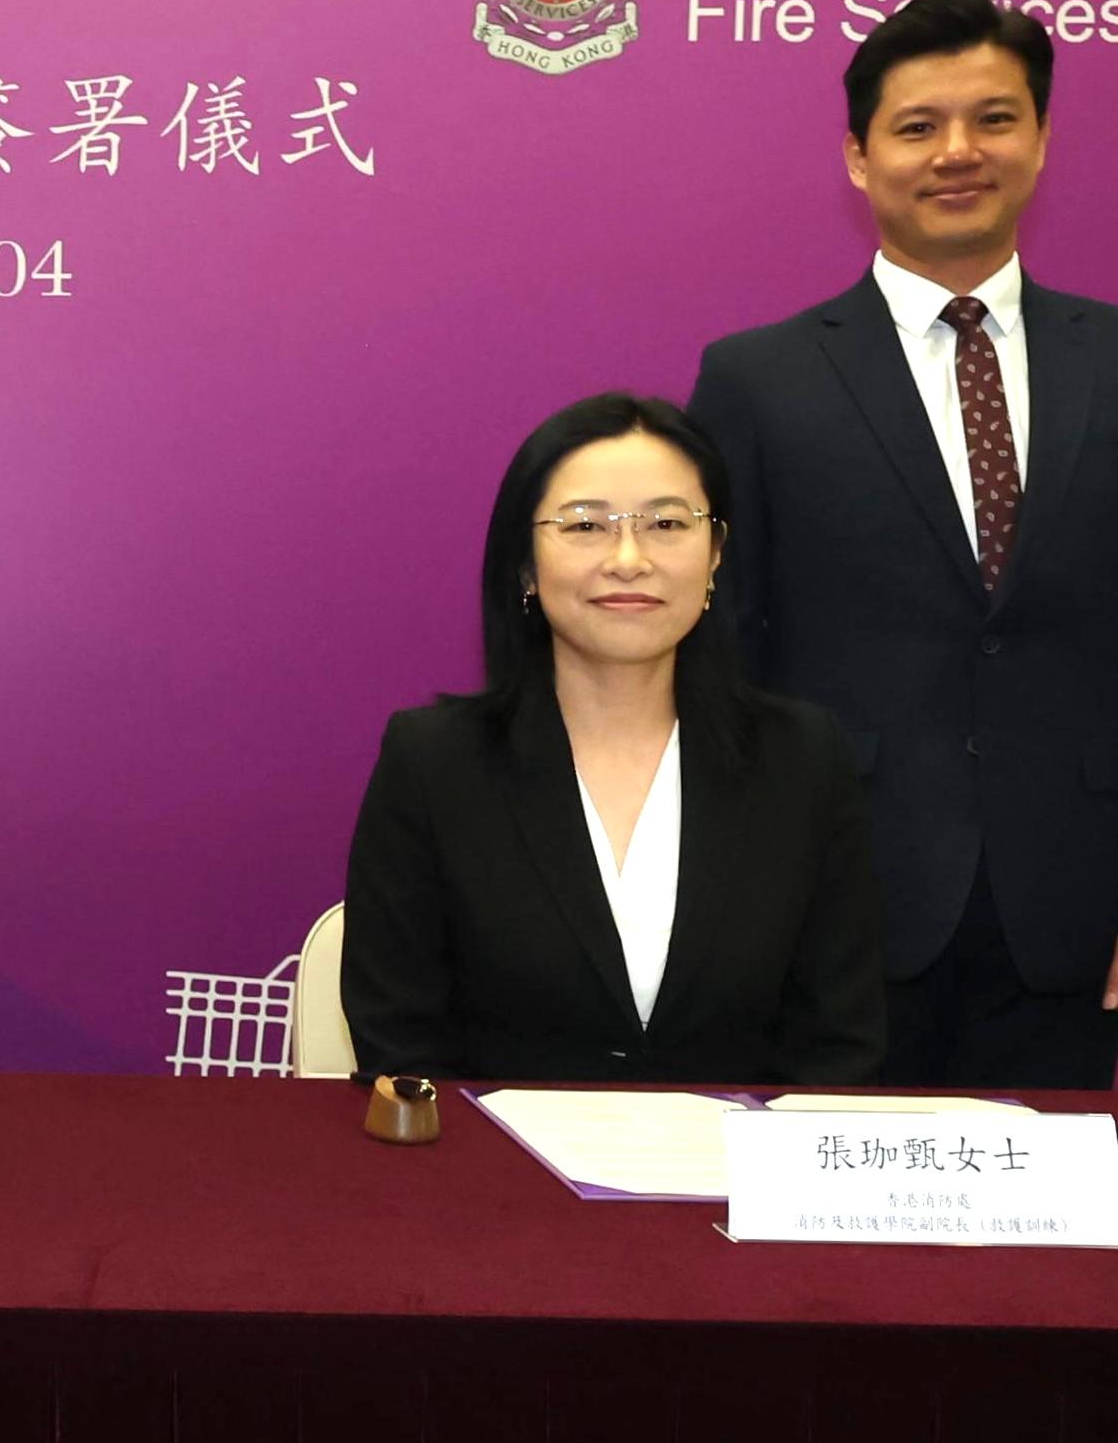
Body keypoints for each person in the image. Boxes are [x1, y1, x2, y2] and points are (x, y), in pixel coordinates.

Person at [685, 0, 1118, 1090]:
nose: (959, 151)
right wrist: (735, 896)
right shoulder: (757, 379)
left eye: (995, 119)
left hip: (1079, 916)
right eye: (917, 126)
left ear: (1042, 140)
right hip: (830, 908)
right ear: (859, 159)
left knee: (1045, 1255)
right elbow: (721, 659)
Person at [341, 392, 882, 1085]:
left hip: (736, 1184)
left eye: (665, 522)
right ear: (525, 566)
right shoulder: (434, 762)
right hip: (497, 1179)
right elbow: (400, 1040)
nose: (629, 559)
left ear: (716, 554)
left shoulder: (803, 759)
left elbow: (840, 1042)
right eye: (585, 526)